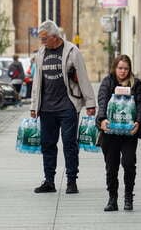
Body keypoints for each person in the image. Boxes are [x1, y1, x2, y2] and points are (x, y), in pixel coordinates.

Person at [30, 20, 96, 194]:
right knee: (47, 144)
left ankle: (71, 181)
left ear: (54, 36)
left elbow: (83, 77)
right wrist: (33, 105)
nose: (42, 42)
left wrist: (90, 103)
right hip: (46, 108)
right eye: (41, 39)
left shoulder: (72, 51)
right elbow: (37, 81)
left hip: (67, 106)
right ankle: (49, 181)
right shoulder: (41, 53)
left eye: (44, 39)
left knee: (69, 144)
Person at [96, 54, 141, 211]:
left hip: (129, 133)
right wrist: (102, 119)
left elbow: (140, 105)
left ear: (129, 69)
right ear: (115, 68)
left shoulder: (136, 84)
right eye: (120, 68)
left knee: (128, 163)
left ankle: (128, 197)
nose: (123, 71)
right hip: (110, 133)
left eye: (126, 68)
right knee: (111, 167)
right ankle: (112, 199)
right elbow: (102, 101)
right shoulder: (108, 82)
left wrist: (138, 122)